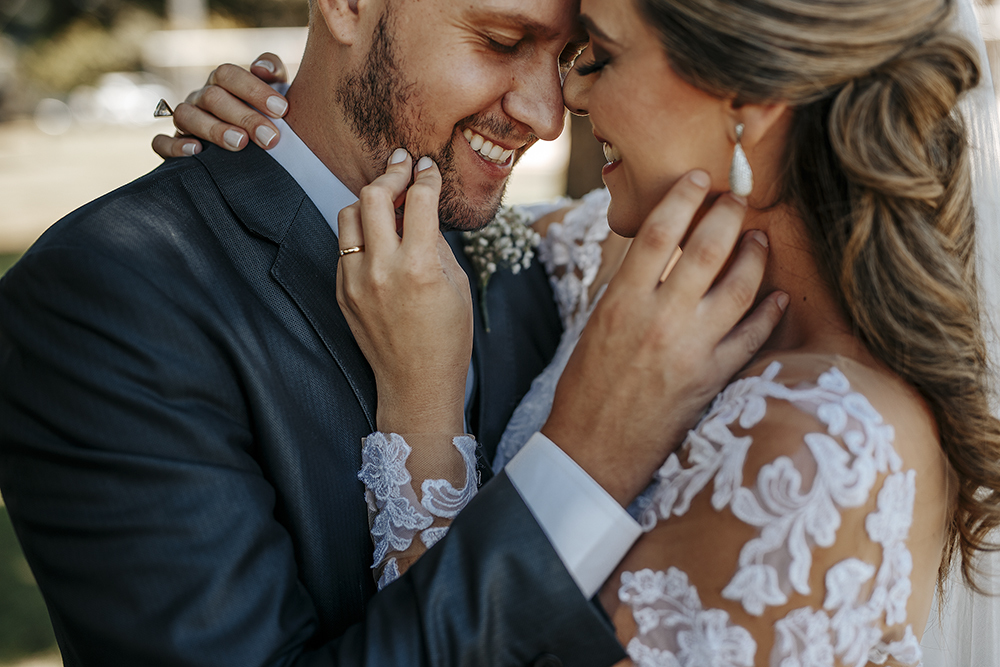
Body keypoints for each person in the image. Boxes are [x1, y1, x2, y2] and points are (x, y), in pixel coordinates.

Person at [174, 0, 1000, 663]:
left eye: (599, 52)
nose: (564, 100)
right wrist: (281, 136)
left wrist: (423, 413)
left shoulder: (817, 447)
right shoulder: (614, 260)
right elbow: (410, 218)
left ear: (749, 99)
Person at [0, 0, 786, 664]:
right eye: (501, 43)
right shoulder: (109, 296)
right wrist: (587, 460)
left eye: (570, 54)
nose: (548, 117)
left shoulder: (545, 255)